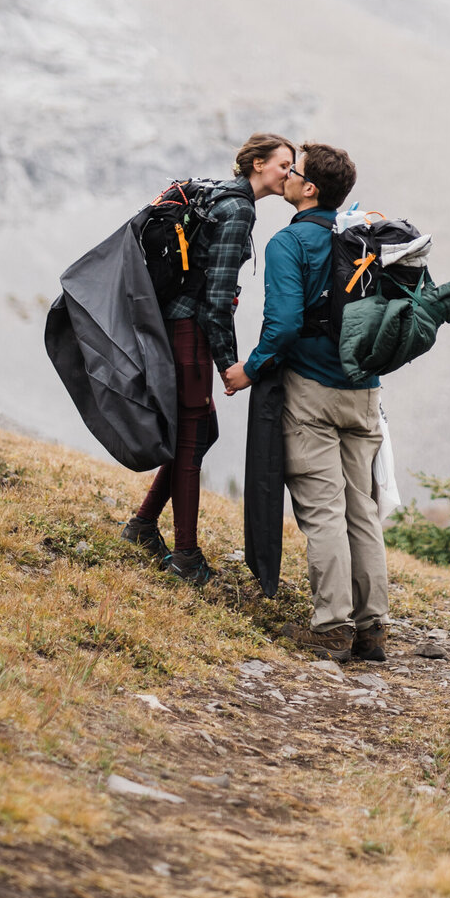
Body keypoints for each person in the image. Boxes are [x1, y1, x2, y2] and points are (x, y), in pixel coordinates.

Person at [223, 142, 388, 664]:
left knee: (322, 512)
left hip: (312, 393)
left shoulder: (288, 243)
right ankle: (372, 627)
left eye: (294, 172)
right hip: (365, 391)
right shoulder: (360, 236)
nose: (287, 177)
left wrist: (247, 369)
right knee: (362, 509)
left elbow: (286, 323)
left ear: (309, 188)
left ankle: (331, 625)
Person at [122, 132, 294, 584]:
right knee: (193, 432)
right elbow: (217, 298)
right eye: (283, 165)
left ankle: (143, 526)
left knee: (197, 431)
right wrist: (229, 365)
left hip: (177, 323)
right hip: (190, 332)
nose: (289, 174)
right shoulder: (237, 209)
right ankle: (185, 556)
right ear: (257, 164)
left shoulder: (222, 195)